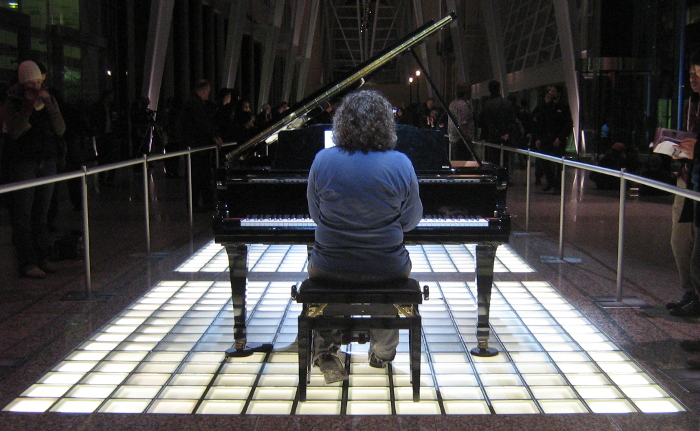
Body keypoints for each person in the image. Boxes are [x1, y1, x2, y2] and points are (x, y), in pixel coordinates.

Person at [306, 89, 423, 383]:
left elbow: (316, 216)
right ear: (386, 124)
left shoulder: (322, 160)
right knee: (387, 274)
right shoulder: (401, 163)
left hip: (329, 267)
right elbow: (410, 222)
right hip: (387, 266)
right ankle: (382, 354)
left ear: (341, 123)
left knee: (326, 269)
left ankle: (326, 352)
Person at [4, 60, 66, 278]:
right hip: (24, 162)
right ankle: (27, 261)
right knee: (23, 213)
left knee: (42, 213)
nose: (36, 87)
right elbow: (15, 132)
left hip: (47, 160)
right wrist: (27, 107)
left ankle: (43, 257)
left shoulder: (49, 98)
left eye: (39, 82)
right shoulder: (13, 101)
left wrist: (49, 105)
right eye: (31, 83)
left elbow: (60, 129)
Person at [667, 51, 700, 316]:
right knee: (680, 239)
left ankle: (695, 296)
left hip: (696, 179)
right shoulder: (692, 102)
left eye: (699, 74)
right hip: (688, 177)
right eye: (691, 73)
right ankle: (690, 292)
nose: (693, 79)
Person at [179, 79, 223, 211]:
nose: (208, 94)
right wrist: (214, 136)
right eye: (208, 92)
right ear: (203, 90)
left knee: (200, 175)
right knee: (197, 175)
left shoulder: (194, 103)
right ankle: (196, 204)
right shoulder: (194, 104)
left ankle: (201, 202)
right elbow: (203, 123)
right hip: (196, 146)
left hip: (196, 146)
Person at [532, 85, 572, 193]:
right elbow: (540, 121)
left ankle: (557, 187)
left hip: (558, 139)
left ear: (559, 93)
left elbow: (567, 125)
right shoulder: (547, 106)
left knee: (559, 164)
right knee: (543, 160)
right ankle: (550, 181)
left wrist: (560, 137)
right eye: (550, 91)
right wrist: (538, 137)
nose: (551, 93)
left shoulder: (564, 107)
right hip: (546, 138)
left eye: (554, 91)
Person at [481, 80, 517, 165]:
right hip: (506, 138)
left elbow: (489, 123)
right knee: (505, 161)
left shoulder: (487, 105)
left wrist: (498, 134)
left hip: (493, 138)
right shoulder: (508, 103)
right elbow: (512, 120)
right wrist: (507, 133)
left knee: (493, 162)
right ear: (499, 88)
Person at [447, 84, 475, 161]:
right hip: (461, 141)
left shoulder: (452, 104)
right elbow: (463, 123)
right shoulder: (463, 106)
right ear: (466, 93)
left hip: (453, 138)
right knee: (464, 164)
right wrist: (467, 140)